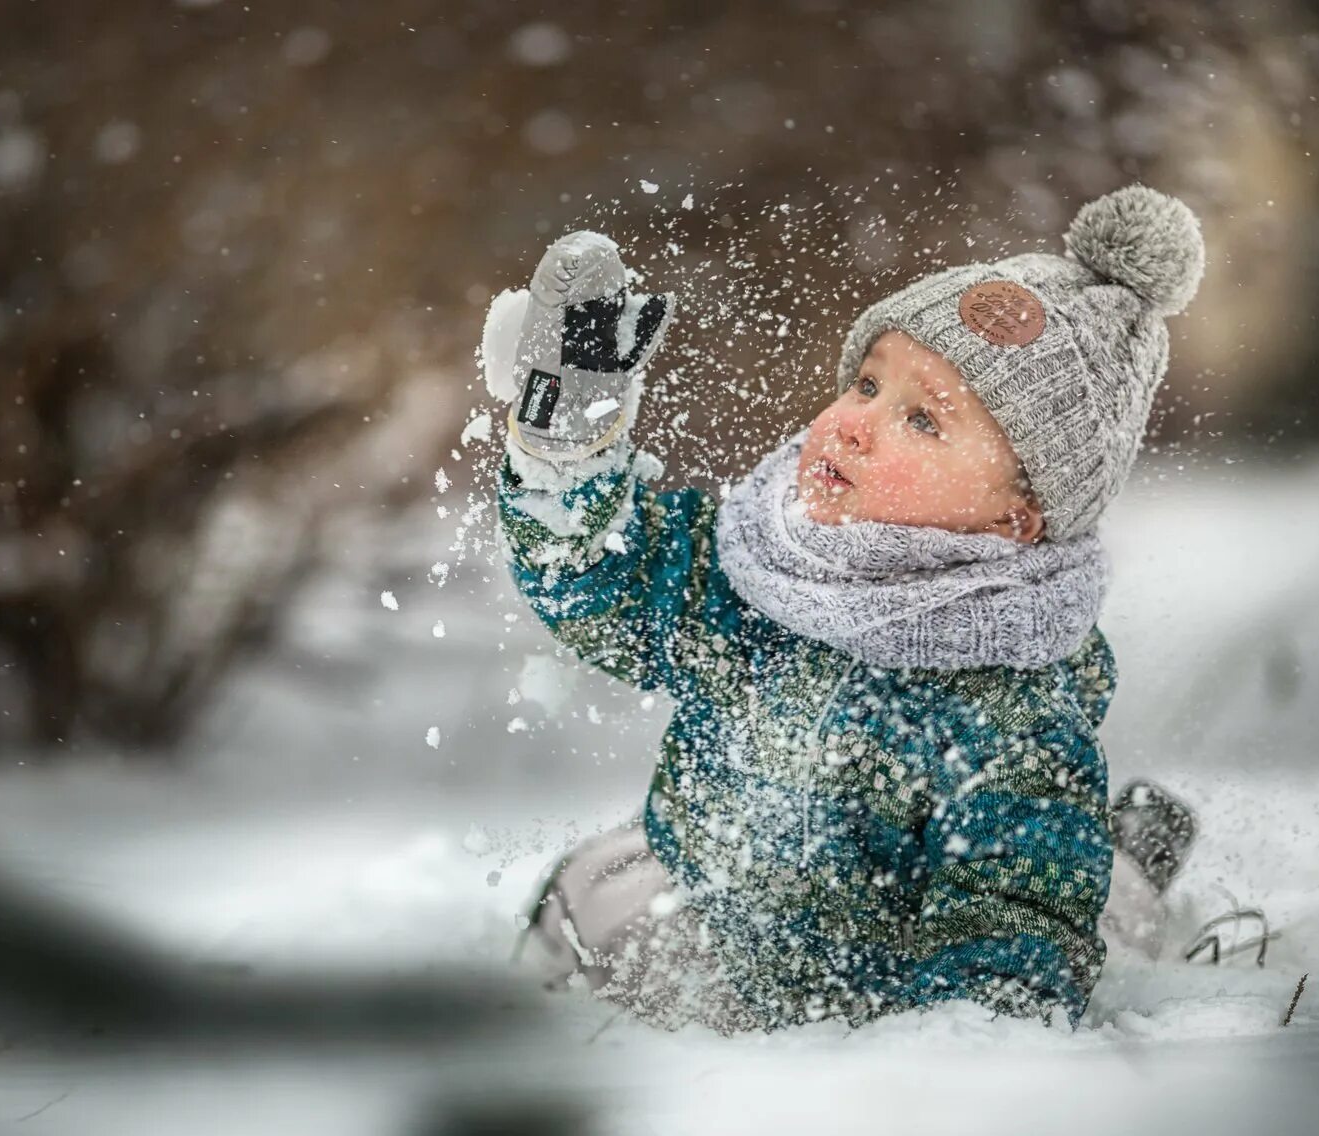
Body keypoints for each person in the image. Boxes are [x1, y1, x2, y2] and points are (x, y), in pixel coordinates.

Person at [488, 185, 1204, 1030]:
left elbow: (1013, 920)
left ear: (1018, 516)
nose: (855, 424)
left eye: (923, 421)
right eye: (867, 384)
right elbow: (607, 580)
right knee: (599, 891)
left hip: (908, 954)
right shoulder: (756, 569)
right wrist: (564, 452)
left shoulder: (1014, 702)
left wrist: (952, 1038)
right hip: (719, 897)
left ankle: (1130, 851)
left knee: (1091, 903)